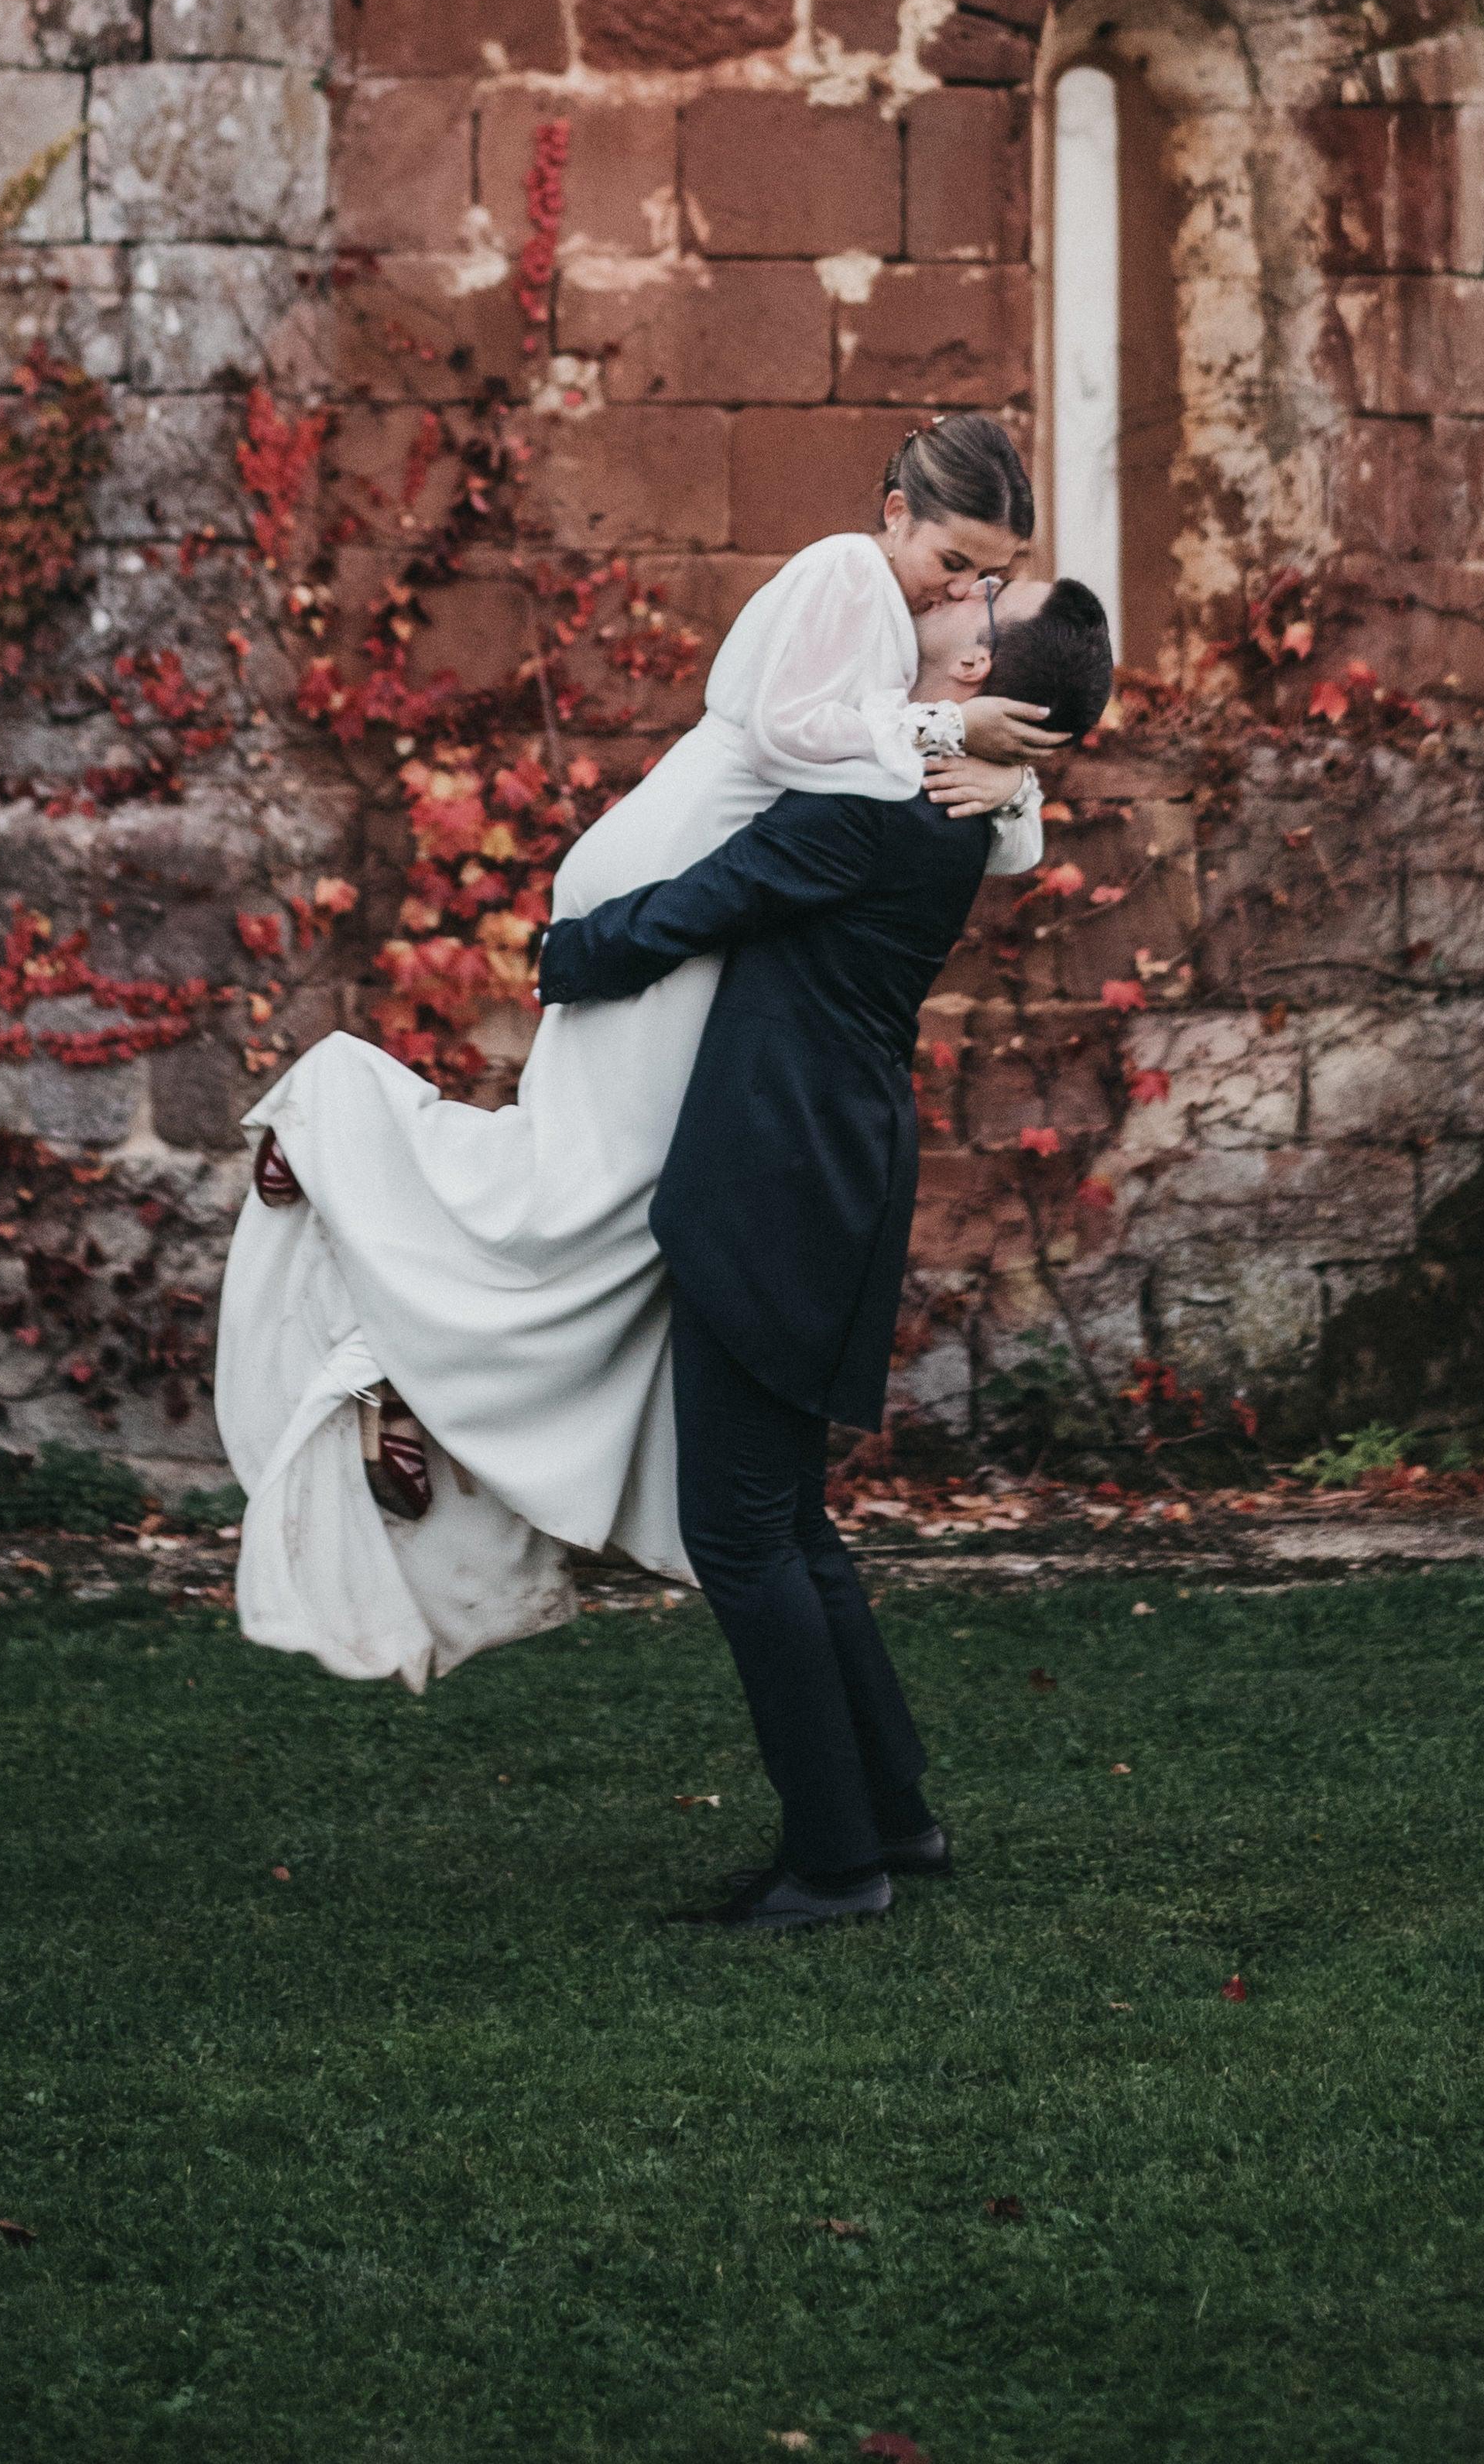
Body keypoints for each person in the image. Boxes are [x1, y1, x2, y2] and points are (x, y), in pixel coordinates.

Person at [214, 416, 1062, 1691]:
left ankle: (402, 1364)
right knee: (587, 1189)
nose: (966, 593)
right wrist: (950, 739)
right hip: (667, 891)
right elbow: (789, 736)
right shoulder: (843, 569)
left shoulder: (904, 629)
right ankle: (339, 1117)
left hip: (698, 914)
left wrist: (1004, 775)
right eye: (954, 560)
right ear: (895, 510)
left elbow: (986, 836)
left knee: (619, 1209)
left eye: (990, 576)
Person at [540, 571, 1119, 1926]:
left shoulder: (881, 797)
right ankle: (891, 1816)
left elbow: (715, 895)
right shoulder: (935, 789)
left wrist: (564, 951)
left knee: (739, 1531)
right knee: (787, 1518)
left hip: (777, 1168)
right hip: (826, 1155)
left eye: (985, 594)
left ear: (973, 670)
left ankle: (833, 1862)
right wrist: (1008, 774)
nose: (958, 586)